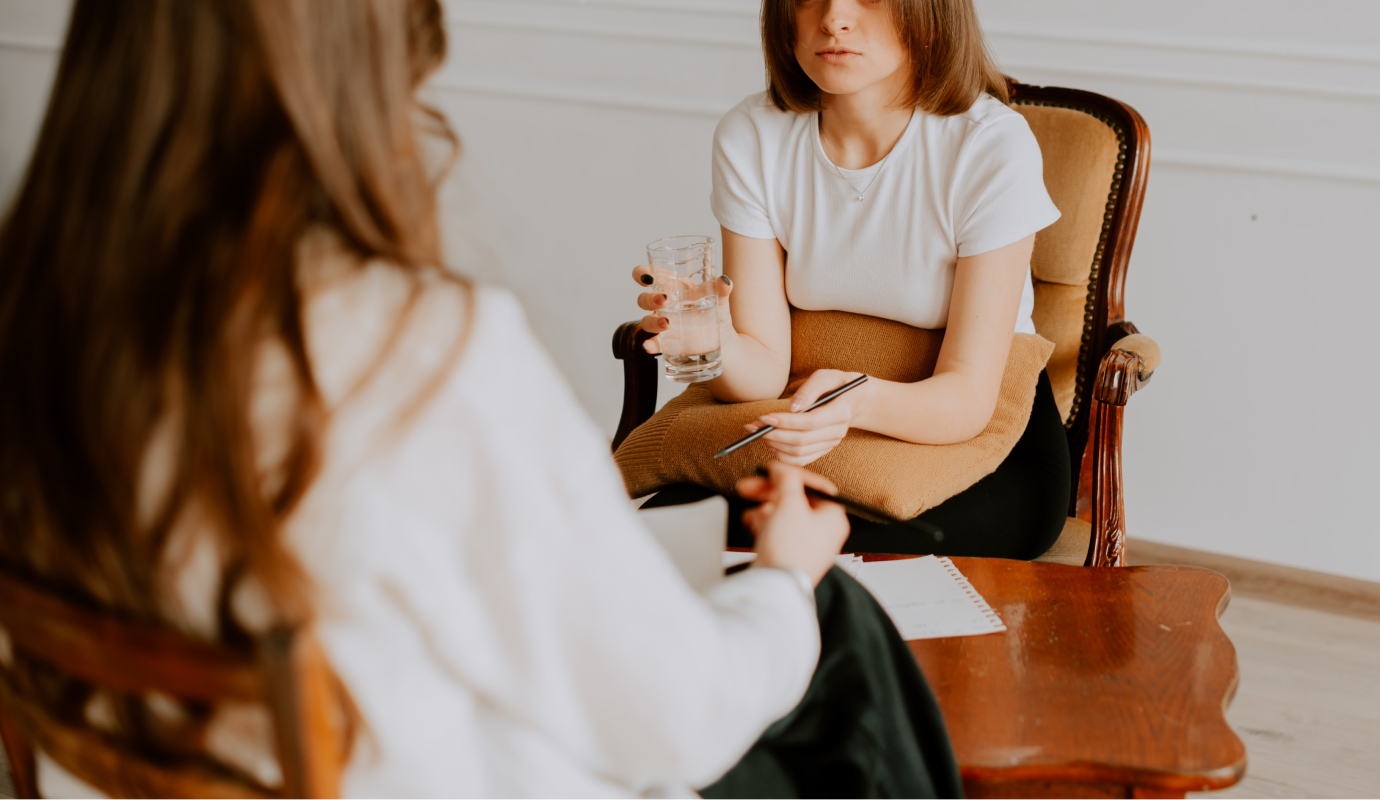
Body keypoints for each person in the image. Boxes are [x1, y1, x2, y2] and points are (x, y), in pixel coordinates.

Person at [0, 1, 957, 796]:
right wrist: (787, 575)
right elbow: (674, 719)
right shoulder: (409, 349)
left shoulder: (41, 320)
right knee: (834, 629)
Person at [635, 0, 1071, 560]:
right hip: (819, 420)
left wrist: (852, 404)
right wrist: (714, 338)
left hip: (982, 442)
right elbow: (765, 370)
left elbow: (966, 398)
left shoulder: (989, 146)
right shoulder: (752, 135)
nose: (834, 17)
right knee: (662, 538)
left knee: (831, 558)